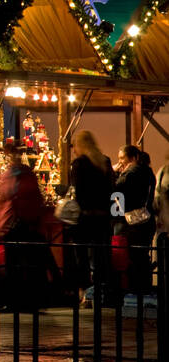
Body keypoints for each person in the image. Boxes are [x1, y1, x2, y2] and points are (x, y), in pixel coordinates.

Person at [0, 147, 47, 309]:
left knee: (13, 262)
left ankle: (14, 299)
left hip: (15, 222)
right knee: (31, 262)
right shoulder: (28, 174)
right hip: (31, 222)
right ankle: (33, 298)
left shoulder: (12, 175)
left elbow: (5, 196)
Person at [69, 129, 113, 307]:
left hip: (85, 217)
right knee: (101, 255)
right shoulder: (104, 162)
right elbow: (112, 189)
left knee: (82, 257)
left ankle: (85, 295)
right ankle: (102, 292)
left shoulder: (79, 163)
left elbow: (78, 192)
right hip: (102, 217)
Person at [113, 144, 156, 296]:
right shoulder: (148, 171)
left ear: (133, 158)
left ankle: (137, 291)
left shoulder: (132, 172)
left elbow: (115, 189)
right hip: (147, 219)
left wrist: (114, 173)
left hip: (135, 223)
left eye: (122, 158)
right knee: (142, 256)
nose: (120, 162)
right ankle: (144, 289)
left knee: (135, 257)